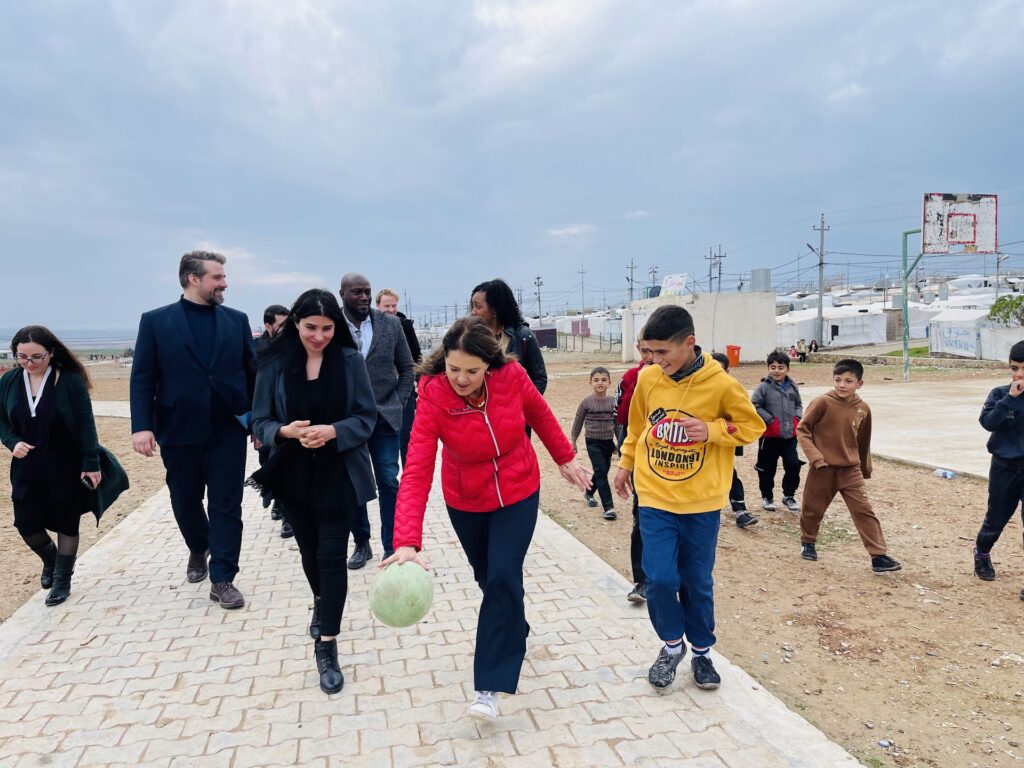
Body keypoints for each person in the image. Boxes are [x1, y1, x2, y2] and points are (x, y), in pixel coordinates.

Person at [384, 317, 591, 721]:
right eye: (454, 369)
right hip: (466, 499)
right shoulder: (432, 394)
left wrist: (564, 458)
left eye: (472, 371)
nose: (461, 379)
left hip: (518, 488)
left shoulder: (511, 376)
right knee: (489, 579)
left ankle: (488, 687)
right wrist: (406, 540)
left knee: (502, 575)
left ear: (489, 365)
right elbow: (417, 468)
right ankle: (514, 625)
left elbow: (539, 413)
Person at [613, 306, 764, 693]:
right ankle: (671, 646)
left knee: (696, 582)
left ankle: (700, 652)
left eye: (663, 352)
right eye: (650, 351)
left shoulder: (721, 385)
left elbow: (752, 426)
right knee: (661, 579)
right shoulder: (648, 378)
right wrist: (625, 464)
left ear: (689, 343)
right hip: (655, 497)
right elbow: (635, 428)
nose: (655, 360)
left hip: (702, 502)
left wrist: (711, 430)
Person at [250, 290, 377, 694]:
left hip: (340, 474)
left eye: (327, 328)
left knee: (331, 557)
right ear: (295, 324)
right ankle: (322, 603)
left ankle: (327, 645)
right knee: (310, 555)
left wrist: (334, 431)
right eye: (311, 328)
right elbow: (260, 421)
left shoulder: (351, 361)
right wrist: (286, 432)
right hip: (293, 475)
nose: (319, 336)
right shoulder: (274, 364)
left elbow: (366, 417)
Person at [129, 250, 255, 609]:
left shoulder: (236, 320)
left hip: (228, 428)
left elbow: (254, 374)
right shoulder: (155, 321)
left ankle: (223, 578)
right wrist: (142, 426)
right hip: (178, 428)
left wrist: (259, 422)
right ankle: (199, 546)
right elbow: (143, 377)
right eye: (217, 277)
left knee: (227, 504)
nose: (225, 283)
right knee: (184, 499)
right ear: (193, 279)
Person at [0, 327, 128, 606]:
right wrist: (12, 441)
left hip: (66, 464)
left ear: (51, 352)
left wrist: (91, 464)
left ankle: (62, 579)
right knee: (25, 524)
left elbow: (86, 424)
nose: (29, 363)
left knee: (66, 521)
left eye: (36, 357)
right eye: (22, 357)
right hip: (26, 465)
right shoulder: (9, 380)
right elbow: (1, 419)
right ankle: (51, 559)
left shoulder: (68, 380)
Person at [796, 359, 901, 573]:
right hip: (823, 468)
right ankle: (808, 541)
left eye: (848, 381)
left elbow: (863, 441)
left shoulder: (863, 408)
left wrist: (865, 468)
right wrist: (816, 458)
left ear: (859, 384)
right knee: (812, 508)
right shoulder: (822, 402)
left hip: (850, 470)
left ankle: (878, 556)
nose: (842, 385)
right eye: (838, 380)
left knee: (864, 511)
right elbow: (802, 430)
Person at [340, 274, 414, 569]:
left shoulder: (391, 325)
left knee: (388, 481)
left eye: (367, 292)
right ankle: (361, 543)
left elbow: (407, 368)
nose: (363, 297)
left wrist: (399, 402)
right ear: (342, 293)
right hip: (348, 421)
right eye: (356, 291)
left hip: (385, 416)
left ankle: (391, 545)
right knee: (353, 484)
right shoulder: (332, 324)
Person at [973, 340, 1024, 600]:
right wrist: (1009, 399)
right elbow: (988, 422)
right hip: (1005, 467)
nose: (1019, 375)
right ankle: (982, 553)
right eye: (1014, 368)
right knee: (996, 518)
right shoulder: (999, 394)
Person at [615, 335, 653, 604]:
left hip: (675, 465)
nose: (651, 356)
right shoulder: (631, 377)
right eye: (645, 350)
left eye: (657, 350)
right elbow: (623, 417)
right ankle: (642, 581)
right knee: (642, 518)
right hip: (641, 459)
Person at [470, 279, 547, 395]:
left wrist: (523, 403)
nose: (473, 312)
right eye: (472, 306)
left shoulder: (523, 336)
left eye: (478, 307)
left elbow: (539, 378)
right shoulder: (472, 339)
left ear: (495, 308)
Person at [255, 304, 293, 538]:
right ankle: (276, 498)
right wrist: (255, 427)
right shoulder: (258, 350)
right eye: (282, 325)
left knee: (284, 467)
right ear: (268, 327)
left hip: (286, 420)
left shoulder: (292, 348)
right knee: (268, 463)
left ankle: (288, 517)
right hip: (265, 420)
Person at [752, 351, 804, 513]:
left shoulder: (793, 386)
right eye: (773, 367)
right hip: (769, 436)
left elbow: (798, 404)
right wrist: (770, 420)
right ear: (768, 368)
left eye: (781, 367)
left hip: (789, 435)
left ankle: (789, 495)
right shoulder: (763, 387)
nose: (776, 371)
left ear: (787, 369)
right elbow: (754, 405)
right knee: (767, 468)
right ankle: (767, 497)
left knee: (793, 464)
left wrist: (797, 418)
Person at [375, 289, 423, 467]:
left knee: (407, 438)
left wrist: (420, 384)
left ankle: (408, 477)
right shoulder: (371, 329)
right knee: (384, 442)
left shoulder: (405, 326)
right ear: (377, 306)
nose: (391, 309)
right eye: (386, 305)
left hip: (405, 390)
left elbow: (417, 357)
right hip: (381, 394)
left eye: (393, 305)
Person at [710, 352, 758, 529]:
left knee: (730, 473)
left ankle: (740, 511)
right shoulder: (696, 388)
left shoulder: (731, 388)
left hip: (723, 440)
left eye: (719, 369)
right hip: (699, 445)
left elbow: (744, 420)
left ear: (727, 371)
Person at [570, 367, 617, 520]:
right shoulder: (586, 402)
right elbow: (578, 421)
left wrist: (620, 443)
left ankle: (589, 493)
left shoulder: (614, 402)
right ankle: (609, 508)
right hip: (592, 442)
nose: (600, 383)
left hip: (608, 442)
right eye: (596, 380)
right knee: (601, 471)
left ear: (609, 382)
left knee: (602, 471)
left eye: (603, 380)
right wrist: (573, 440)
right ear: (590, 382)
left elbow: (618, 424)